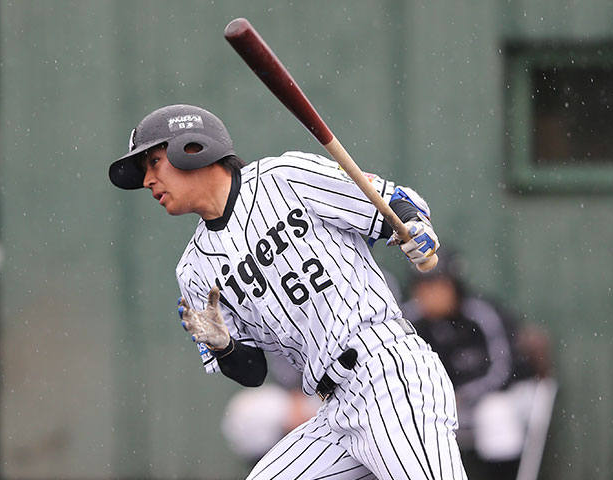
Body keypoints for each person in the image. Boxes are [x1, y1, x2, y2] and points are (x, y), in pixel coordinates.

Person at [108, 104, 468, 479]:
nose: (148, 180)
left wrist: (413, 224)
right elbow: (251, 371)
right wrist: (223, 346)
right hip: (333, 409)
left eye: (154, 162)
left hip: (389, 375)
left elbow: (391, 202)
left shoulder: (284, 177)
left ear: (193, 148)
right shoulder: (194, 270)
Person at [401, 251, 550, 480]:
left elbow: (504, 370)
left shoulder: (480, 314)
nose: (428, 293)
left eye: (436, 284)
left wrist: (463, 394)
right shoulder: (409, 321)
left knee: (495, 415)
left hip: (507, 396)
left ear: (454, 285)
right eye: (422, 286)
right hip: (442, 405)